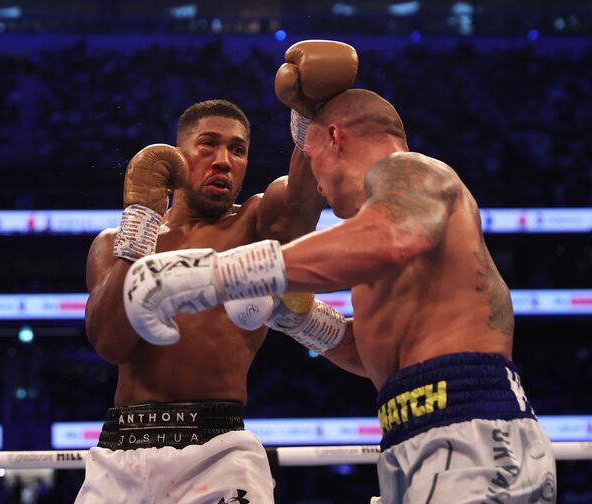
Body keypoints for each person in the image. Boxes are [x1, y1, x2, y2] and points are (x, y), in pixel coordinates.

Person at [124, 88, 558, 503]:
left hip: (473, 430)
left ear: (334, 138)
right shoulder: (383, 251)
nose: (318, 187)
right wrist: (302, 320)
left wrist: (217, 274)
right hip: (411, 434)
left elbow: (387, 238)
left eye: (311, 161)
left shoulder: (415, 172)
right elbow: (368, 350)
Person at [77, 41, 358, 504]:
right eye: (208, 144)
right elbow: (110, 342)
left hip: (218, 450)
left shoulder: (255, 222)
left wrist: (307, 113)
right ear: (176, 154)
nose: (224, 160)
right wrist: (140, 225)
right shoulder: (114, 242)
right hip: (119, 455)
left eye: (239, 150)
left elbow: (306, 201)